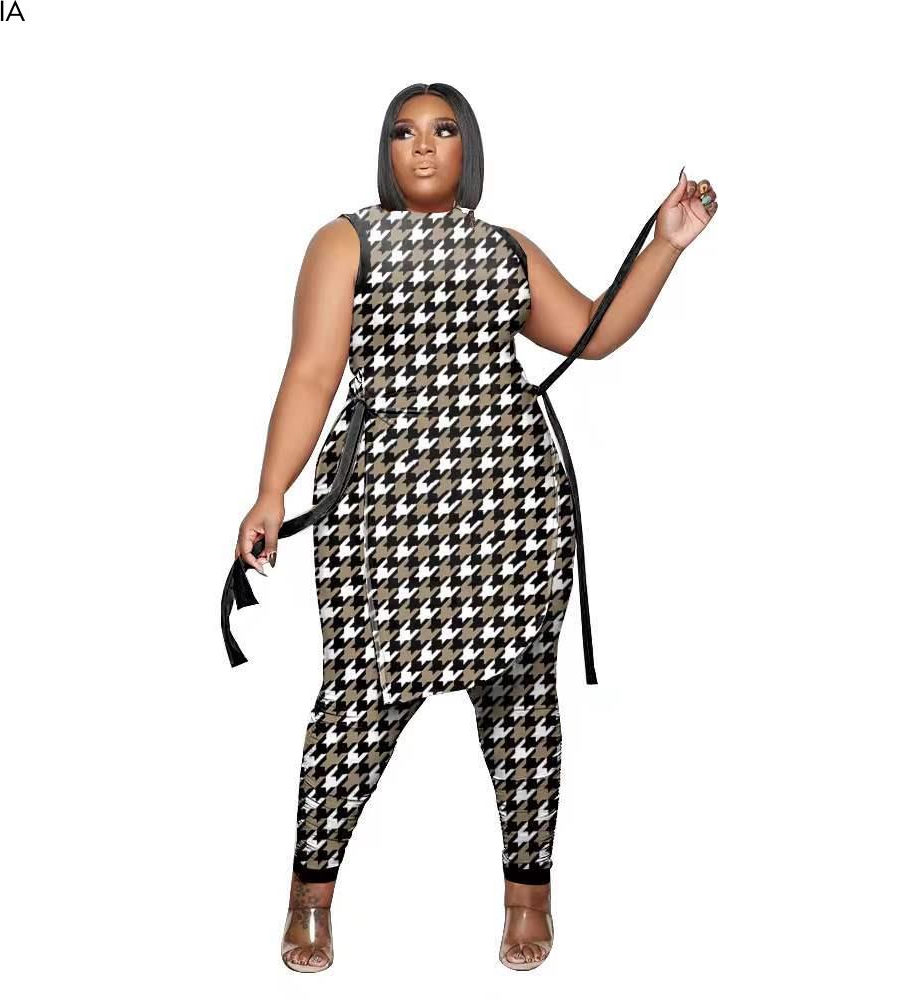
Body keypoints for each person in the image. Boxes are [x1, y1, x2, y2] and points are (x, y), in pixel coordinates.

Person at [228, 82, 717, 973]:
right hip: (381, 510)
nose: (423, 145)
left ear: (469, 148)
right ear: (385, 149)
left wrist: (666, 245)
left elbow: (592, 333)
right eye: (404, 131)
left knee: (521, 699)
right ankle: (310, 898)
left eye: (444, 129)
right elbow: (311, 372)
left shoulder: (504, 248)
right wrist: (270, 490)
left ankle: (529, 897)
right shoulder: (345, 242)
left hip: (510, 507)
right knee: (358, 699)